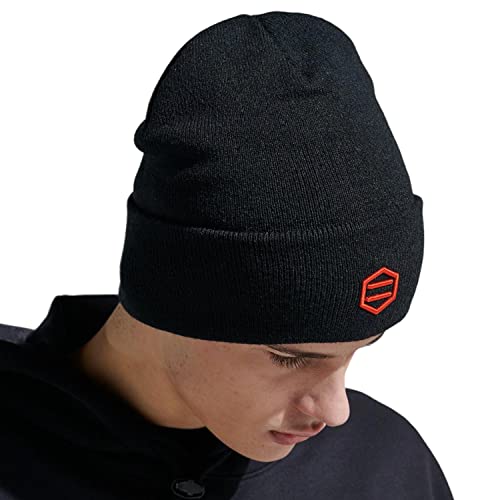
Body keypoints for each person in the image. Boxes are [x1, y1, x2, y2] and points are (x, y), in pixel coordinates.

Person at [0, 10, 455, 500]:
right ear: (173, 295)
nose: (334, 411)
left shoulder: (384, 468)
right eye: (290, 358)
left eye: (359, 350)